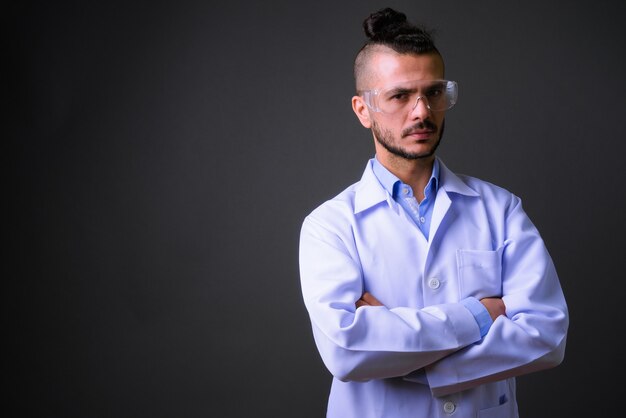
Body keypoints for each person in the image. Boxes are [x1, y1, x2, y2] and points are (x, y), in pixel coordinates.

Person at [298, 7, 569, 418]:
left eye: (434, 92)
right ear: (362, 109)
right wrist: (481, 313)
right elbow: (346, 350)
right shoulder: (330, 226)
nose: (422, 111)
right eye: (400, 96)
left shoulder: (500, 209)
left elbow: (547, 335)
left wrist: (401, 353)